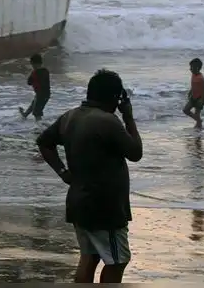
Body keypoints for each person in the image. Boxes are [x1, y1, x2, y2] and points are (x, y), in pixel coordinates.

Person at [36, 69, 143, 284]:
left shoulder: (70, 116)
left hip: (79, 201)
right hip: (104, 207)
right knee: (117, 260)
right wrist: (128, 116)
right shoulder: (107, 121)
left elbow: (44, 142)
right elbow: (136, 153)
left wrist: (63, 172)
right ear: (115, 97)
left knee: (90, 257)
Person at [19, 53, 51, 120]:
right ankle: (25, 115)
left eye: (31, 64)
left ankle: (40, 127)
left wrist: (33, 75)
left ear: (33, 63)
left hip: (40, 94)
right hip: (46, 94)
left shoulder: (35, 72)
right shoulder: (46, 71)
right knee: (33, 105)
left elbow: (29, 82)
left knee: (36, 112)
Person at [183, 58, 204, 129]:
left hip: (199, 98)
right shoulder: (193, 75)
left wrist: (202, 99)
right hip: (193, 97)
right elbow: (193, 85)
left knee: (197, 114)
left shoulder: (201, 78)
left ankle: (198, 129)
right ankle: (199, 121)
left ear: (197, 68)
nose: (190, 69)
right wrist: (190, 92)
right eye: (190, 67)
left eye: (192, 67)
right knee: (185, 110)